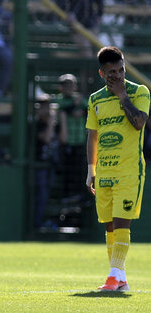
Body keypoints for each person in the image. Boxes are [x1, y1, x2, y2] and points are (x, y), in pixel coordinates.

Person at [86, 46, 150, 291]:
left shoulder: (139, 91)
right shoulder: (95, 99)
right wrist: (91, 169)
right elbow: (92, 136)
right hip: (104, 172)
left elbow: (139, 123)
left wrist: (123, 96)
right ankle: (119, 278)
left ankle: (113, 277)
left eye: (121, 69)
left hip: (129, 172)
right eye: (112, 72)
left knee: (122, 222)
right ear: (102, 74)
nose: (118, 75)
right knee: (109, 225)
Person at [34, 94, 66, 229]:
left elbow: (64, 139)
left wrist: (62, 120)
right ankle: (37, 224)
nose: (45, 109)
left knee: (48, 196)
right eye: (42, 106)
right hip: (39, 166)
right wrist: (51, 121)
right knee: (41, 196)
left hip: (52, 166)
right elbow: (46, 138)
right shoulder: (37, 124)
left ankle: (47, 223)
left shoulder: (54, 123)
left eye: (47, 105)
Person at [57, 73, 88, 199]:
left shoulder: (80, 99)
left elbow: (89, 109)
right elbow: (62, 109)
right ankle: (67, 195)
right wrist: (75, 107)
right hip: (66, 142)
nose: (69, 87)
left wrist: (81, 110)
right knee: (67, 171)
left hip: (80, 140)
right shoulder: (60, 99)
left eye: (71, 85)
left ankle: (79, 195)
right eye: (66, 85)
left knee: (80, 171)